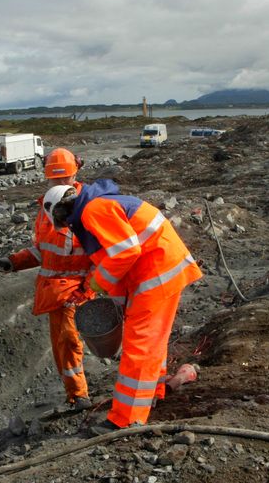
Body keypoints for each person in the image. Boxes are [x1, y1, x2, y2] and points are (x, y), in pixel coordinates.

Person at [42, 179, 203, 434]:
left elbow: (126, 251)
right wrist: (115, 300)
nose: (67, 228)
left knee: (138, 346)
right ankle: (156, 390)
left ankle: (125, 419)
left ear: (62, 211)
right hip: (160, 271)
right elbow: (116, 256)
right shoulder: (99, 206)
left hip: (155, 275)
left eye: (63, 223)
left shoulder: (93, 210)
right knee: (153, 342)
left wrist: (97, 283)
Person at [0, 148, 95, 411]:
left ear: (76, 174)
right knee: (61, 344)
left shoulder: (86, 207)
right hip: (53, 291)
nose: (61, 185)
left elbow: (101, 255)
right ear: (47, 178)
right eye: (56, 180)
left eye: (65, 180)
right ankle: (73, 395)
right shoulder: (46, 209)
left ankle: (80, 396)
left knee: (70, 340)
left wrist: (87, 288)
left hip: (76, 290)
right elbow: (43, 249)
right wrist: (15, 261)